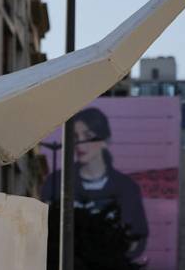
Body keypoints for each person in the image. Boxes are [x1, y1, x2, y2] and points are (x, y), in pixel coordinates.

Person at [41, 107, 149, 259]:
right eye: (75, 137)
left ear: (105, 141)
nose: (79, 144)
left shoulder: (127, 188)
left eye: (88, 136)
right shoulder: (56, 181)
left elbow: (137, 238)